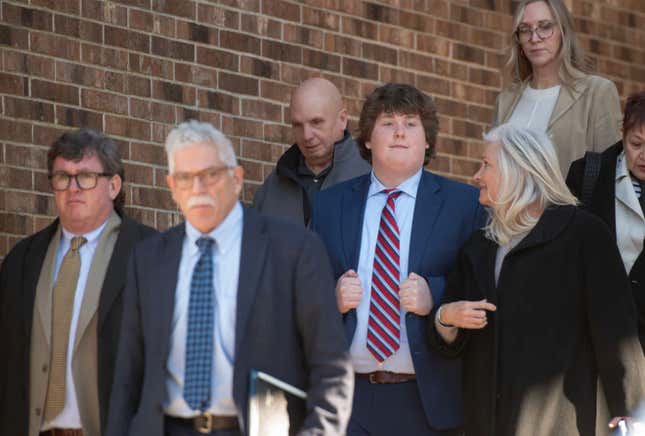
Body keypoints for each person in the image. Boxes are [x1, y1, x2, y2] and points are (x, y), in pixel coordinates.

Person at [106, 120, 353, 436]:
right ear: (171, 186)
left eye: (210, 175)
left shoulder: (293, 250)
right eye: (185, 178)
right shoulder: (150, 258)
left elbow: (331, 366)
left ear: (236, 178)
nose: (198, 188)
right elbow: (128, 375)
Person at [429, 123, 644, 436]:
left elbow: (616, 332)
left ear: (520, 170)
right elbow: (453, 340)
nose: (476, 175)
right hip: (488, 423)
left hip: (563, 423)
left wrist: (631, 409)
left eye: (486, 164)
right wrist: (444, 317)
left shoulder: (584, 235)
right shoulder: (480, 246)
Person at [312, 83, 485, 435]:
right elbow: (300, 292)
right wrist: (332, 297)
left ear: (427, 141)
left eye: (411, 123)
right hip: (348, 401)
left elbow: (481, 289)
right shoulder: (330, 205)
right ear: (367, 140)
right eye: (388, 123)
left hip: (428, 400)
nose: (400, 132)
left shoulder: (464, 205)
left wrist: (434, 296)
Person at [0, 129, 157, 436]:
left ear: (113, 185)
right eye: (62, 177)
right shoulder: (22, 261)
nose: (73, 188)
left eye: (85, 177)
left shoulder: (151, 255)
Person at [493, 0, 622, 176]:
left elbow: (609, 175)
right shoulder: (505, 100)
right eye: (525, 29)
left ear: (563, 32)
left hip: (569, 203)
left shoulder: (597, 92)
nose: (534, 38)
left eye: (545, 27)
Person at [567, 91, 645, 352]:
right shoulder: (586, 175)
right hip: (594, 335)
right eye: (636, 143)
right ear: (622, 134)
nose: (644, 155)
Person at [253, 77, 370, 226]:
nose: (307, 135)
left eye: (316, 122)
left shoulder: (370, 180)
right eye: (298, 125)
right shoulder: (273, 187)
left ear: (342, 119)